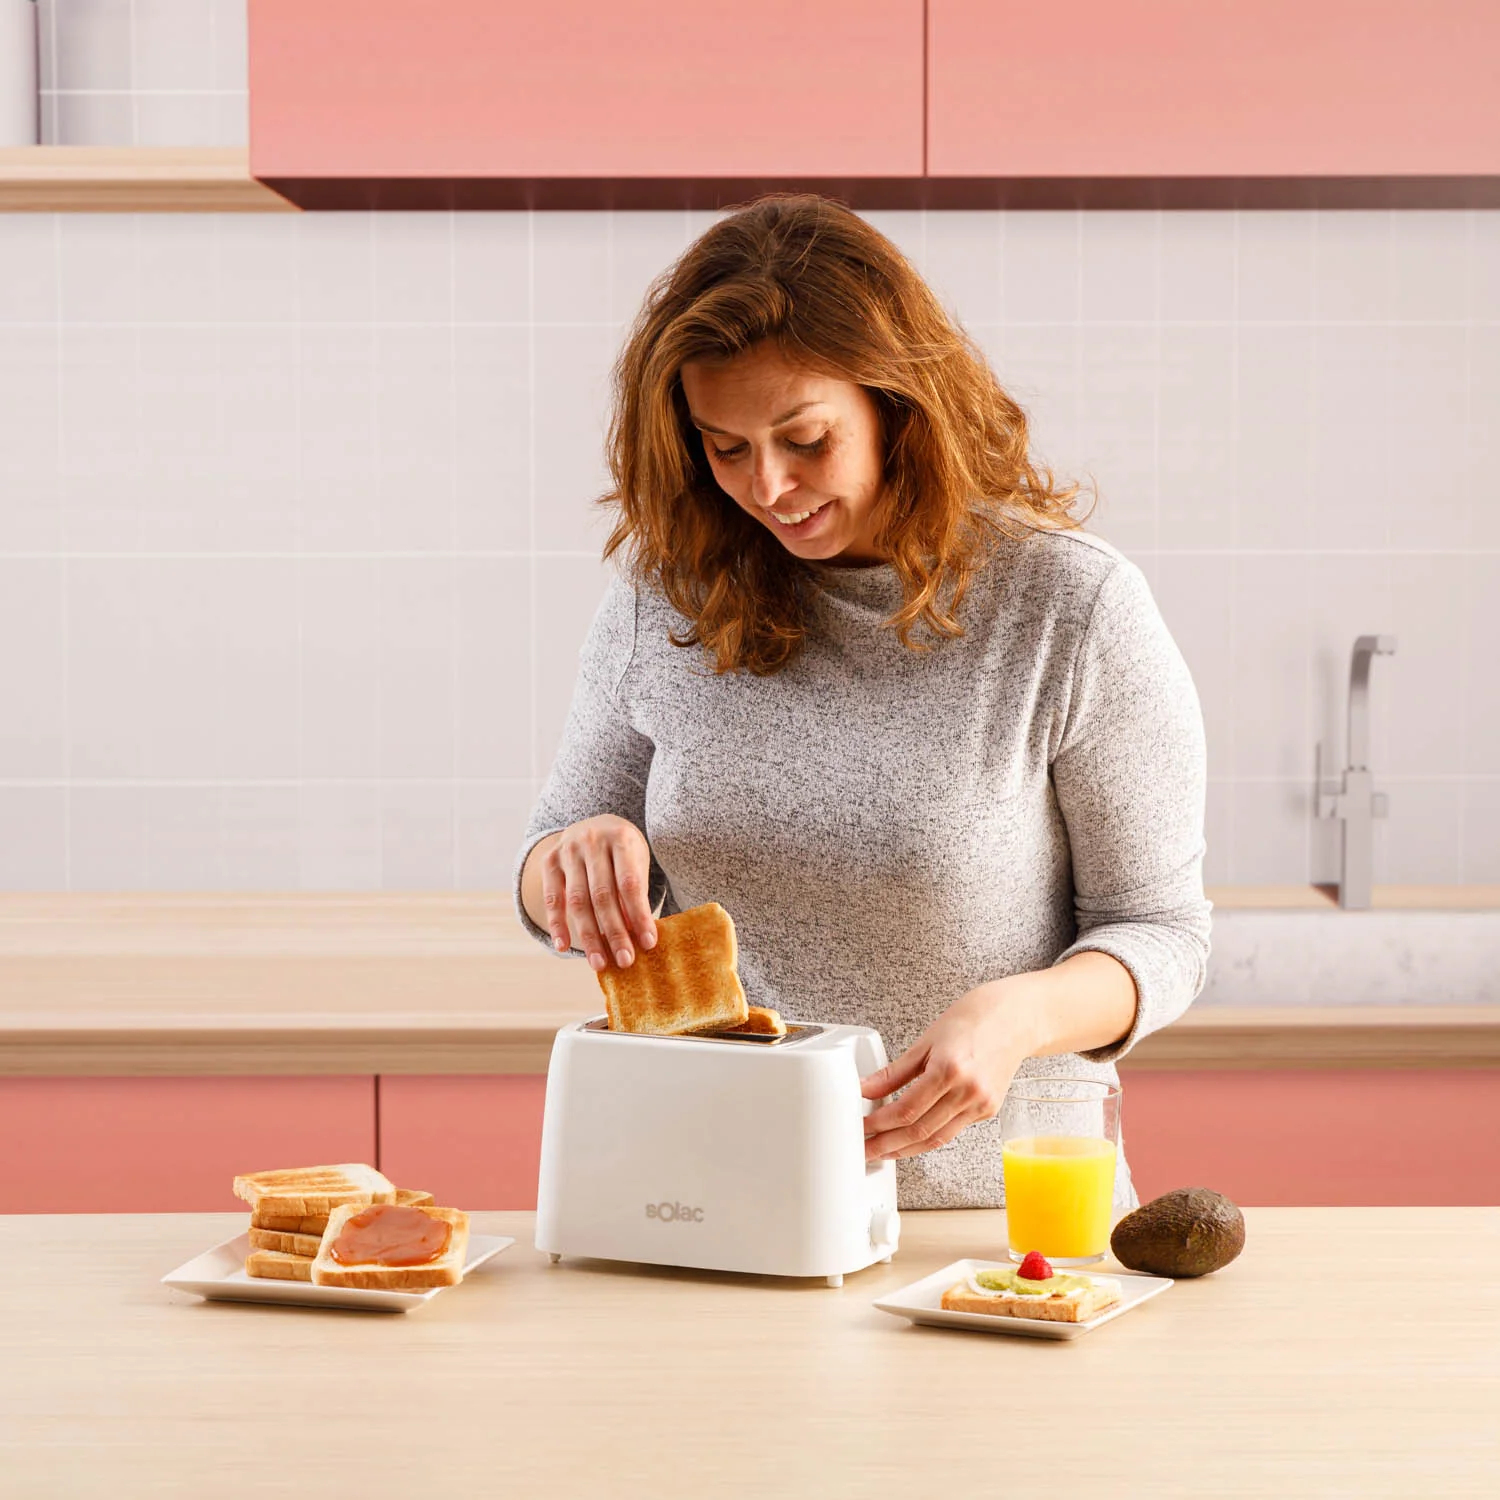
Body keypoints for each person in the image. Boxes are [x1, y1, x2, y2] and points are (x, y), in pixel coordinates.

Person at [514, 194, 1210, 1211]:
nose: (769, 487)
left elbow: (1161, 932)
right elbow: (546, 874)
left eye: (804, 439)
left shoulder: (1069, 607)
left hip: (991, 1223)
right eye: (726, 447)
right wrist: (570, 864)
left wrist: (1017, 1018)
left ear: (897, 403)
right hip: (712, 1204)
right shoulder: (667, 599)